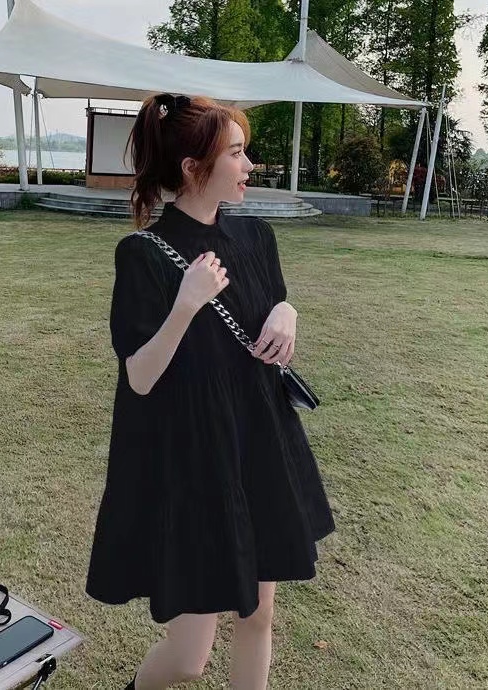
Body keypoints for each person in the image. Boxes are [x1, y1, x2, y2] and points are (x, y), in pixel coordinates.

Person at [85, 93, 335, 690]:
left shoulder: (256, 236)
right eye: (237, 153)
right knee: (189, 658)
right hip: (196, 460)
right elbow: (140, 376)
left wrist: (288, 312)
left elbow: (274, 302)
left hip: (259, 440)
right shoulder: (142, 254)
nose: (249, 165)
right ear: (194, 167)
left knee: (259, 616)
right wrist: (186, 303)